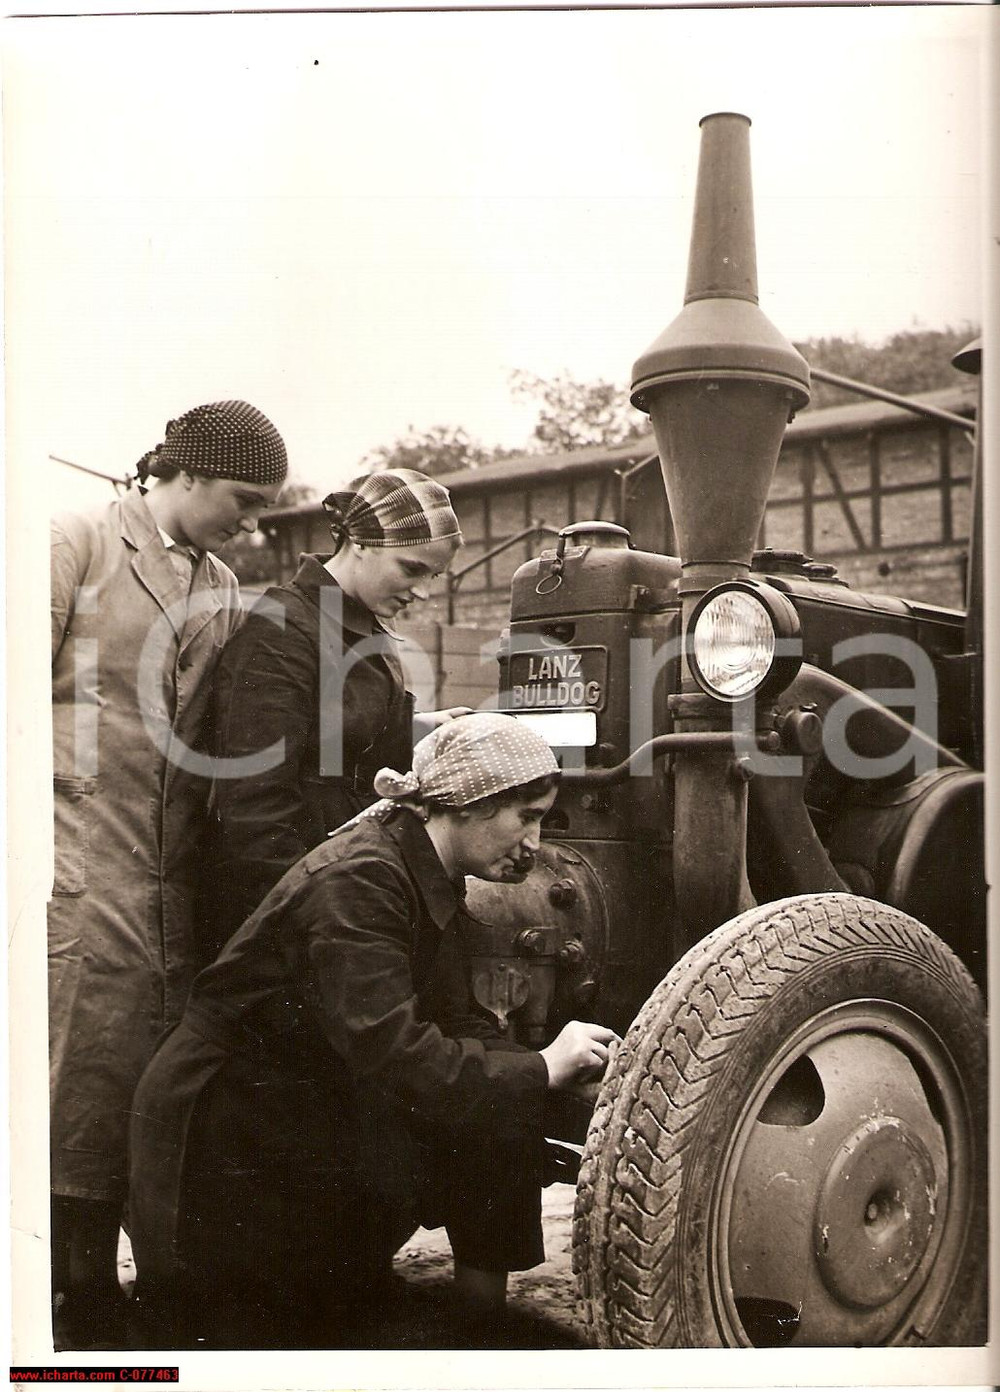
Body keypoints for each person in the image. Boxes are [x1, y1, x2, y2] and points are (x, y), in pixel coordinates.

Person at [127, 713, 618, 1349]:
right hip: (223, 1145)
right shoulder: (363, 879)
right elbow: (397, 1054)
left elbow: (454, 1018)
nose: (534, 839)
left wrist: (560, 1068)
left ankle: (477, 1326)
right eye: (524, 815)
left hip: (287, 1121)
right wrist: (542, 1068)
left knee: (500, 1093)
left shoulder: (419, 867)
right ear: (464, 805)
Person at [48, 399, 288, 1349]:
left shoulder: (222, 584)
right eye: (244, 498)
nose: (254, 521)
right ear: (182, 472)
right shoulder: (77, 541)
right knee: (79, 1075)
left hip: (171, 878)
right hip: (74, 855)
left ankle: (123, 1284)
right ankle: (71, 1291)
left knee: (148, 1079)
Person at [202, 467, 470, 954]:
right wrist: (322, 924)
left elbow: (350, 741)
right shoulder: (283, 632)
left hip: (347, 894)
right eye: (412, 569)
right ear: (360, 543)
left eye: (434, 575)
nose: (424, 592)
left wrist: (420, 730)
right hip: (295, 918)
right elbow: (254, 814)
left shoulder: (365, 629)